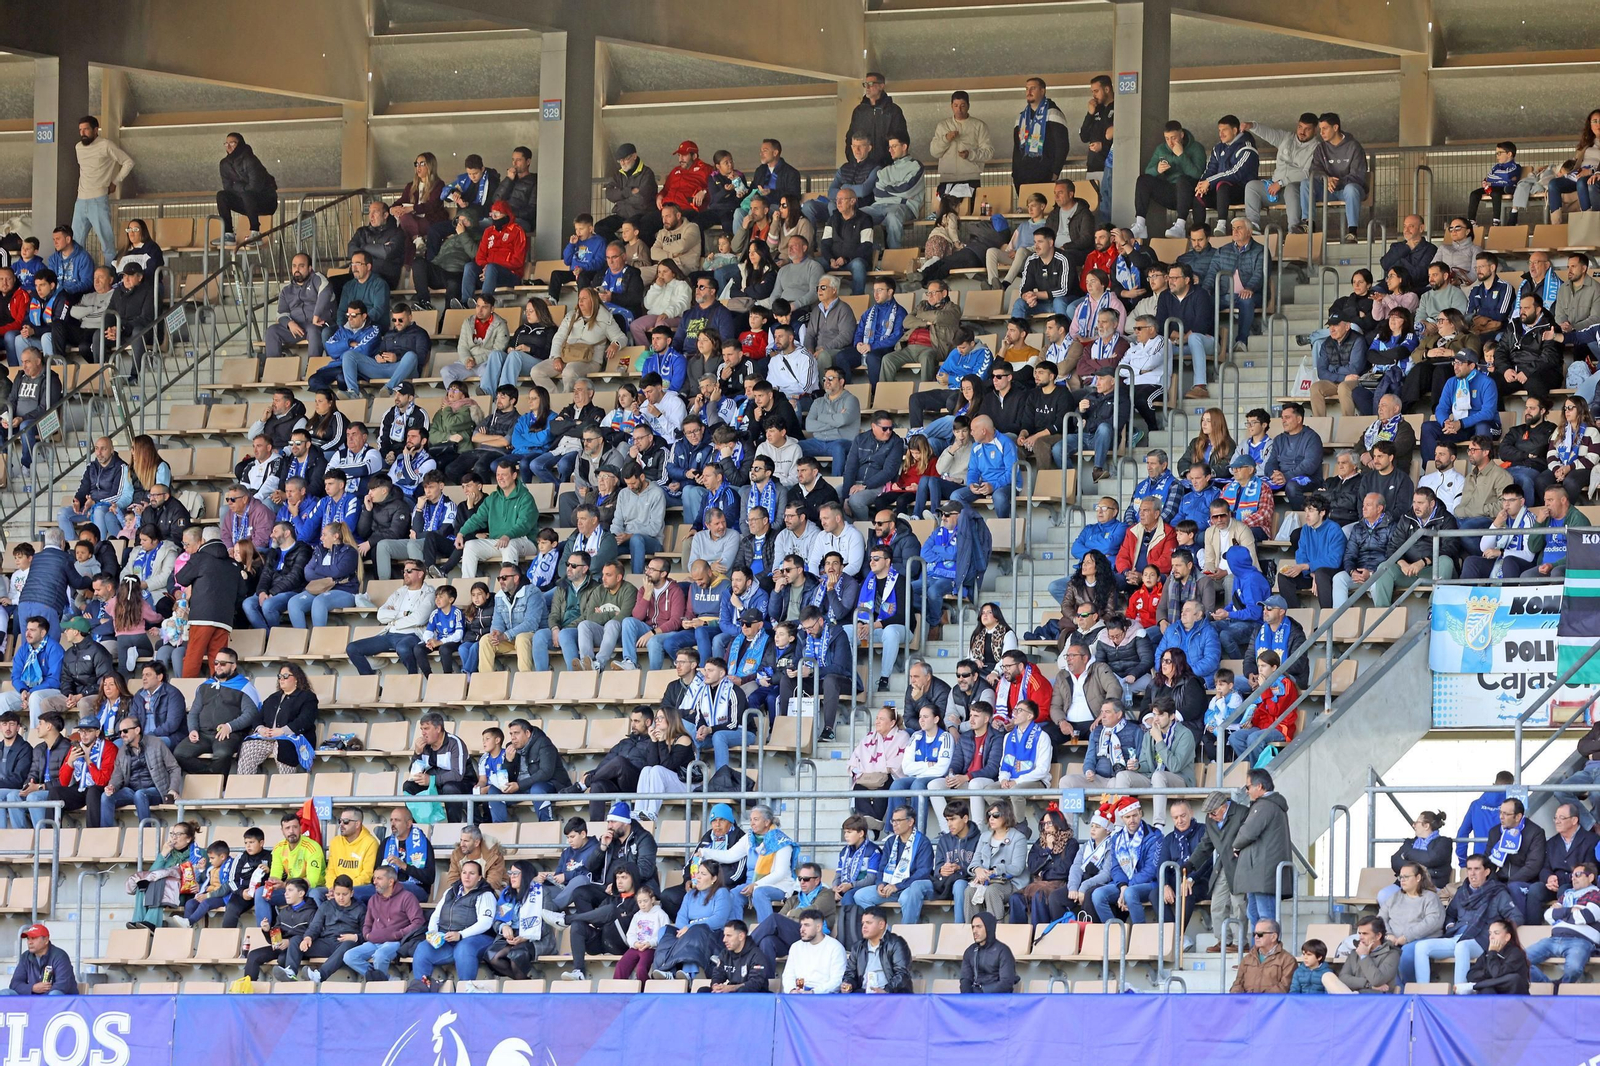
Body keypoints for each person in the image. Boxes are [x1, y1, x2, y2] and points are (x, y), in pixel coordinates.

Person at [1410, 852, 1519, 987]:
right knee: (1421, 946)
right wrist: (1450, 925)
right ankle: (1423, 993)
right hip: (1457, 937)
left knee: (1462, 947)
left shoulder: (1497, 892)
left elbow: (1516, 916)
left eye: (1477, 869)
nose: (1472, 873)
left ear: (1486, 871)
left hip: (1481, 940)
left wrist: (1499, 935)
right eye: (1469, 869)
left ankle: (1460, 994)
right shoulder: (1462, 891)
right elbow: (1450, 914)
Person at [410, 859, 496, 987]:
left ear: (479, 878)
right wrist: (433, 933)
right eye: (464, 872)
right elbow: (435, 916)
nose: (467, 876)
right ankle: (422, 989)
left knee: (464, 948)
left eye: (472, 873)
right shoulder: (450, 892)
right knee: (423, 948)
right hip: (448, 939)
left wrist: (461, 934)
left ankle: (465, 992)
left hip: (476, 939)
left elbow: (486, 922)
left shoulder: (485, 894)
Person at [341, 864, 424, 982]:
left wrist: (398, 934)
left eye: (379, 878)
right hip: (373, 941)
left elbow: (418, 922)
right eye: (374, 878)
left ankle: (379, 987)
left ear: (390, 881)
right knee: (349, 956)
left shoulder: (407, 897)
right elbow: (367, 924)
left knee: (380, 956)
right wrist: (367, 935)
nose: (375, 882)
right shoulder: (373, 899)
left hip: (395, 942)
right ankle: (385, 980)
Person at [1232, 768, 1292, 931]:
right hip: (1258, 874)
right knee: (1256, 917)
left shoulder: (1265, 805)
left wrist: (1236, 845)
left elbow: (1248, 831)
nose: (1247, 791)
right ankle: (1257, 954)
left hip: (1263, 873)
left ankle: (1267, 955)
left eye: (1248, 786)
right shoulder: (1270, 805)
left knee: (1265, 919)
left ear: (1259, 786)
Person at [100, 714, 179, 825]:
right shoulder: (122, 751)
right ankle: (106, 834)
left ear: (137, 730)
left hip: (156, 790)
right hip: (132, 791)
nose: (122, 735)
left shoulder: (157, 743)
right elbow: (117, 774)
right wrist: (112, 786)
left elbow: (174, 767)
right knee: (106, 797)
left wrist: (173, 789)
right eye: (120, 732)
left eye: (125, 731)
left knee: (140, 794)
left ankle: (145, 833)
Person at [1309, 112, 1368, 242]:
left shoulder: (1354, 147)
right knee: (1305, 184)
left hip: (1348, 190)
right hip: (1328, 190)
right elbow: (1315, 170)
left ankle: (1352, 232)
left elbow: (1358, 175)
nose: (1321, 132)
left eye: (1325, 128)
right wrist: (1327, 179)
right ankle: (1308, 226)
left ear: (1335, 128)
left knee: (1351, 189)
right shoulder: (1320, 148)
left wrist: (1338, 182)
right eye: (1320, 129)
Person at [1011, 77, 1069, 189]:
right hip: (1022, 176)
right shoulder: (1021, 117)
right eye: (1027, 89)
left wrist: (1055, 171)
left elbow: (1062, 145)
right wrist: (1015, 173)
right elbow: (1016, 149)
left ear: (1042, 91)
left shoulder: (1053, 113)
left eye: (1033, 88)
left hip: (1045, 174)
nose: (1029, 92)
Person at [1324, 916, 1401, 994]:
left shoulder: (1392, 954)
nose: (1360, 937)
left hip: (1377, 1001)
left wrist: (1364, 956)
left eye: (1365, 934)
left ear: (1378, 936)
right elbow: (1343, 978)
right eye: (1359, 933)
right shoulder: (1355, 952)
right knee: (1327, 976)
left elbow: (1377, 980)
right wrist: (1368, 984)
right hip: (1354, 996)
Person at [781, 910, 846, 994]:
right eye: (801, 925)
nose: (802, 929)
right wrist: (791, 990)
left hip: (823, 997)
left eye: (807, 925)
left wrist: (813, 992)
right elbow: (788, 975)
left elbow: (837, 981)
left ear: (818, 927)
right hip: (797, 996)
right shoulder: (795, 947)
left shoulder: (835, 948)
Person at [5, 924, 77, 997]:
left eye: (33, 938)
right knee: (5, 993)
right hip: (32, 1000)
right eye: (28, 938)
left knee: (55, 994)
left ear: (46, 940)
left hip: (60, 1002)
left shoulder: (60, 956)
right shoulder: (25, 956)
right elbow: (14, 984)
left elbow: (62, 985)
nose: (30, 942)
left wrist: (39, 999)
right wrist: (32, 988)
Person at [1231, 917, 1296, 992]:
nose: (1256, 937)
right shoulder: (1247, 959)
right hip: (1248, 1003)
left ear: (1273, 937)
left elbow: (1284, 988)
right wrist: (1239, 997)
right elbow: (1237, 983)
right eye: (1254, 934)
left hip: (1272, 1003)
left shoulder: (1288, 960)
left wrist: (1261, 1000)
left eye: (1260, 934)